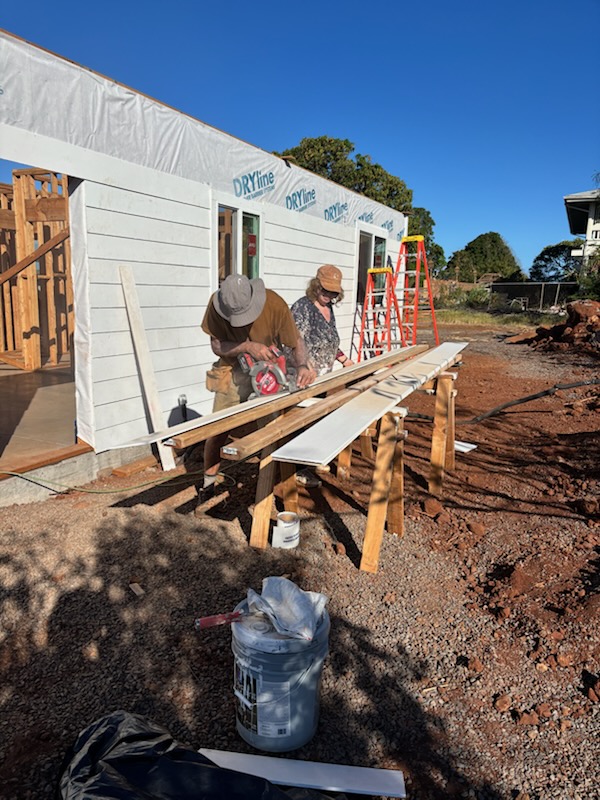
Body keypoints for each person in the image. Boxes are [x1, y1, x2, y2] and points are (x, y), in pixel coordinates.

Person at [197, 274, 316, 512]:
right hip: (231, 370)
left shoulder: (274, 304)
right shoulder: (216, 306)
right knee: (217, 429)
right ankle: (208, 485)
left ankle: (269, 491)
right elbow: (217, 346)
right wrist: (248, 346)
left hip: (267, 372)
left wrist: (302, 365)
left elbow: (295, 342)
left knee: (272, 432)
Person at [289, 264, 354, 487]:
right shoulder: (302, 307)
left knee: (316, 417)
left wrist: (344, 359)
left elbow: (329, 341)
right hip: (304, 376)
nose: (328, 295)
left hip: (323, 376)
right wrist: (305, 365)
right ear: (315, 286)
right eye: (325, 290)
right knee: (300, 420)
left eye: (333, 293)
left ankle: (309, 460)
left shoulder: (328, 309)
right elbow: (293, 341)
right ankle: (296, 469)